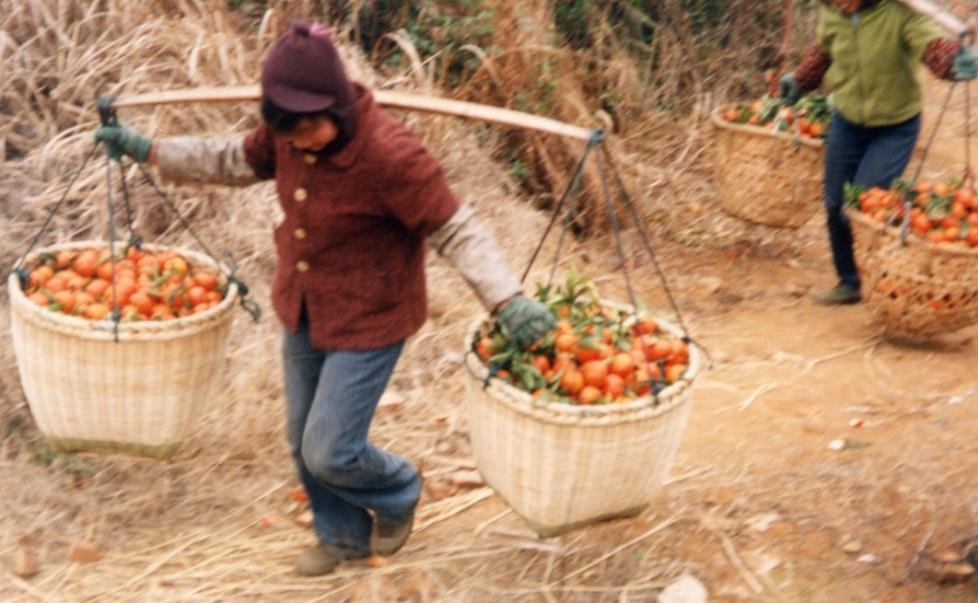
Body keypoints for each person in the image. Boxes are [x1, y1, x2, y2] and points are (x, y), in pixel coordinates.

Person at [95, 21, 555, 576]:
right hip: (304, 305)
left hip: (371, 318)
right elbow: (233, 160)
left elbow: (456, 228)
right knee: (301, 440)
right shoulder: (287, 133)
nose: (299, 144)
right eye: (289, 135)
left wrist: (507, 300)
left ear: (336, 108)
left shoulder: (392, 156)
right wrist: (152, 152)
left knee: (331, 449)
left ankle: (399, 489)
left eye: (309, 131)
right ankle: (342, 537)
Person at [779, 0, 978, 304]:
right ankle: (850, 282)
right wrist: (801, 80)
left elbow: (931, 46)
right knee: (835, 202)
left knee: (865, 202)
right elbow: (823, 52)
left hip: (895, 127)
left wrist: (953, 63)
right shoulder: (833, 13)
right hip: (846, 121)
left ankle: (886, 276)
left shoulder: (899, 12)